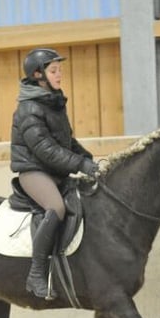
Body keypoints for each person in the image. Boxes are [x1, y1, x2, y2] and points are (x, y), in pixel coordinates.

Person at [10, 48, 100, 300]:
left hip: (55, 171)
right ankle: (36, 273)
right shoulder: (28, 109)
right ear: (38, 74)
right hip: (34, 171)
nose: (60, 74)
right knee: (57, 207)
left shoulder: (54, 101)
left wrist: (89, 160)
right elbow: (46, 150)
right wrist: (80, 165)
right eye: (54, 70)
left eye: (60, 69)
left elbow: (66, 142)